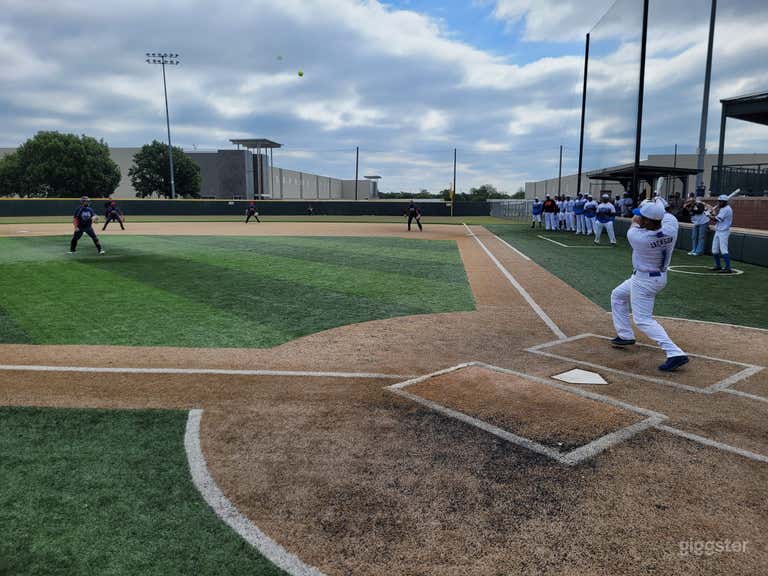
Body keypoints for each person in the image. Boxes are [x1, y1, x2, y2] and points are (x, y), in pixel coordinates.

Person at [610, 199, 688, 371]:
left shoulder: (638, 237)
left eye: (642, 217)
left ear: (647, 221)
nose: (639, 217)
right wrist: (658, 203)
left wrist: (648, 209)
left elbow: (635, 221)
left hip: (644, 281)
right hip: (657, 277)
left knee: (642, 320)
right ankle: (625, 335)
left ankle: (674, 353)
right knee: (618, 295)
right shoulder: (671, 227)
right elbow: (665, 215)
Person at [710, 194, 734, 273]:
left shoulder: (726, 209)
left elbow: (715, 219)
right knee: (714, 250)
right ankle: (718, 266)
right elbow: (716, 217)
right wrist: (712, 213)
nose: (719, 203)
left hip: (724, 232)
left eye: (721, 202)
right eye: (719, 201)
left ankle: (728, 268)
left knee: (724, 250)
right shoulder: (723, 208)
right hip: (718, 230)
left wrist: (708, 215)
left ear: (725, 202)